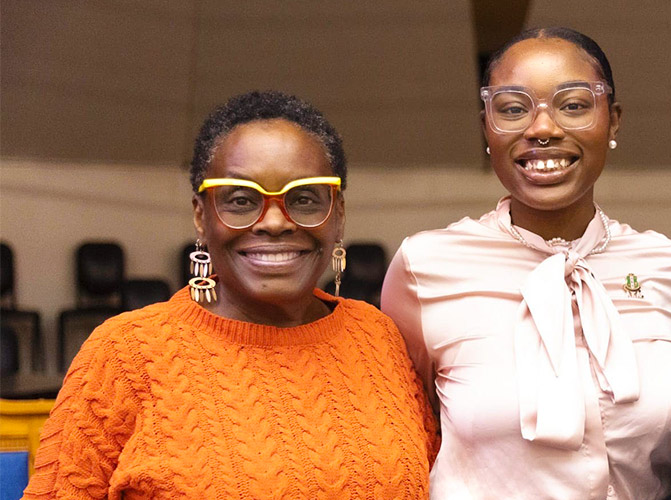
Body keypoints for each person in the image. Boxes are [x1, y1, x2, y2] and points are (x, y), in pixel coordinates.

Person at [25, 91, 437, 499]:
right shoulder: (126, 355)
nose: (275, 222)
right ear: (201, 216)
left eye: (305, 198)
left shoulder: (379, 339)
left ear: (339, 213)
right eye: (240, 200)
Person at [381, 27, 671, 499]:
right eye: (512, 109)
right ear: (487, 127)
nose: (542, 129)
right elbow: (407, 435)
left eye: (573, 105)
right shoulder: (425, 268)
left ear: (613, 122)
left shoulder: (662, 264)